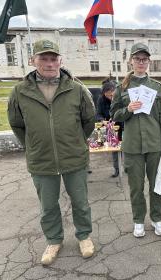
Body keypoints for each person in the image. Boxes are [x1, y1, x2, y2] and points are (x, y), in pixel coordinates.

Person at [7, 39, 96, 265]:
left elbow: (88, 121)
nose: (49, 63)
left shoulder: (76, 89)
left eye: (53, 58)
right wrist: (34, 146)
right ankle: (54, 240)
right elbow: (17, 124)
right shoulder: (20, 92)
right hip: (41, 160)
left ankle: (84, 236)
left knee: (80, 202)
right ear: (33, 60)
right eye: (43, 58)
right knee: (48, 206)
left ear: (60, 60)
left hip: (73, 156)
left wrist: (75, 142)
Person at [110, 43, 161, 238]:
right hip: (133, 146)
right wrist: (127, 110)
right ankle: (138, 220)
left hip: (154, 144)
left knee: (156, 185)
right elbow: (114, 115)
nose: (141, 62)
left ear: (148, 62)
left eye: (144, 59)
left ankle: (156, 218)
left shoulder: (156, 87)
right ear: (131, 61)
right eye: (137, 59)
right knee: (136, 187)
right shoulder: (122, 88)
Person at [96, 78, 123, 177]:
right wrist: (103, 121)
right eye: (107, 95)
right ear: (104, 94)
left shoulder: (120, 98)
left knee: (126, 148)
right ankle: (117, 169)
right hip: (111, 128)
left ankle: (128, 167)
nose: (110, 97)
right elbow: (98, 114)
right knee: (114, 148)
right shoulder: (101, 100)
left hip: (123, 126)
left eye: (112, 95)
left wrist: (118, 118)